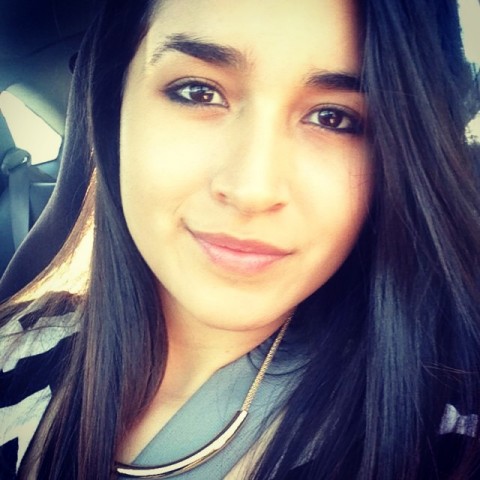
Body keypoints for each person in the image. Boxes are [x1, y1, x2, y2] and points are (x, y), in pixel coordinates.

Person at [0, 0, 479, 478]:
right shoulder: (15, 344)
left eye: (334, 118)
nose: (253, 189)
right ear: (114, 110)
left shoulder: (440, 440)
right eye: (198, 92)